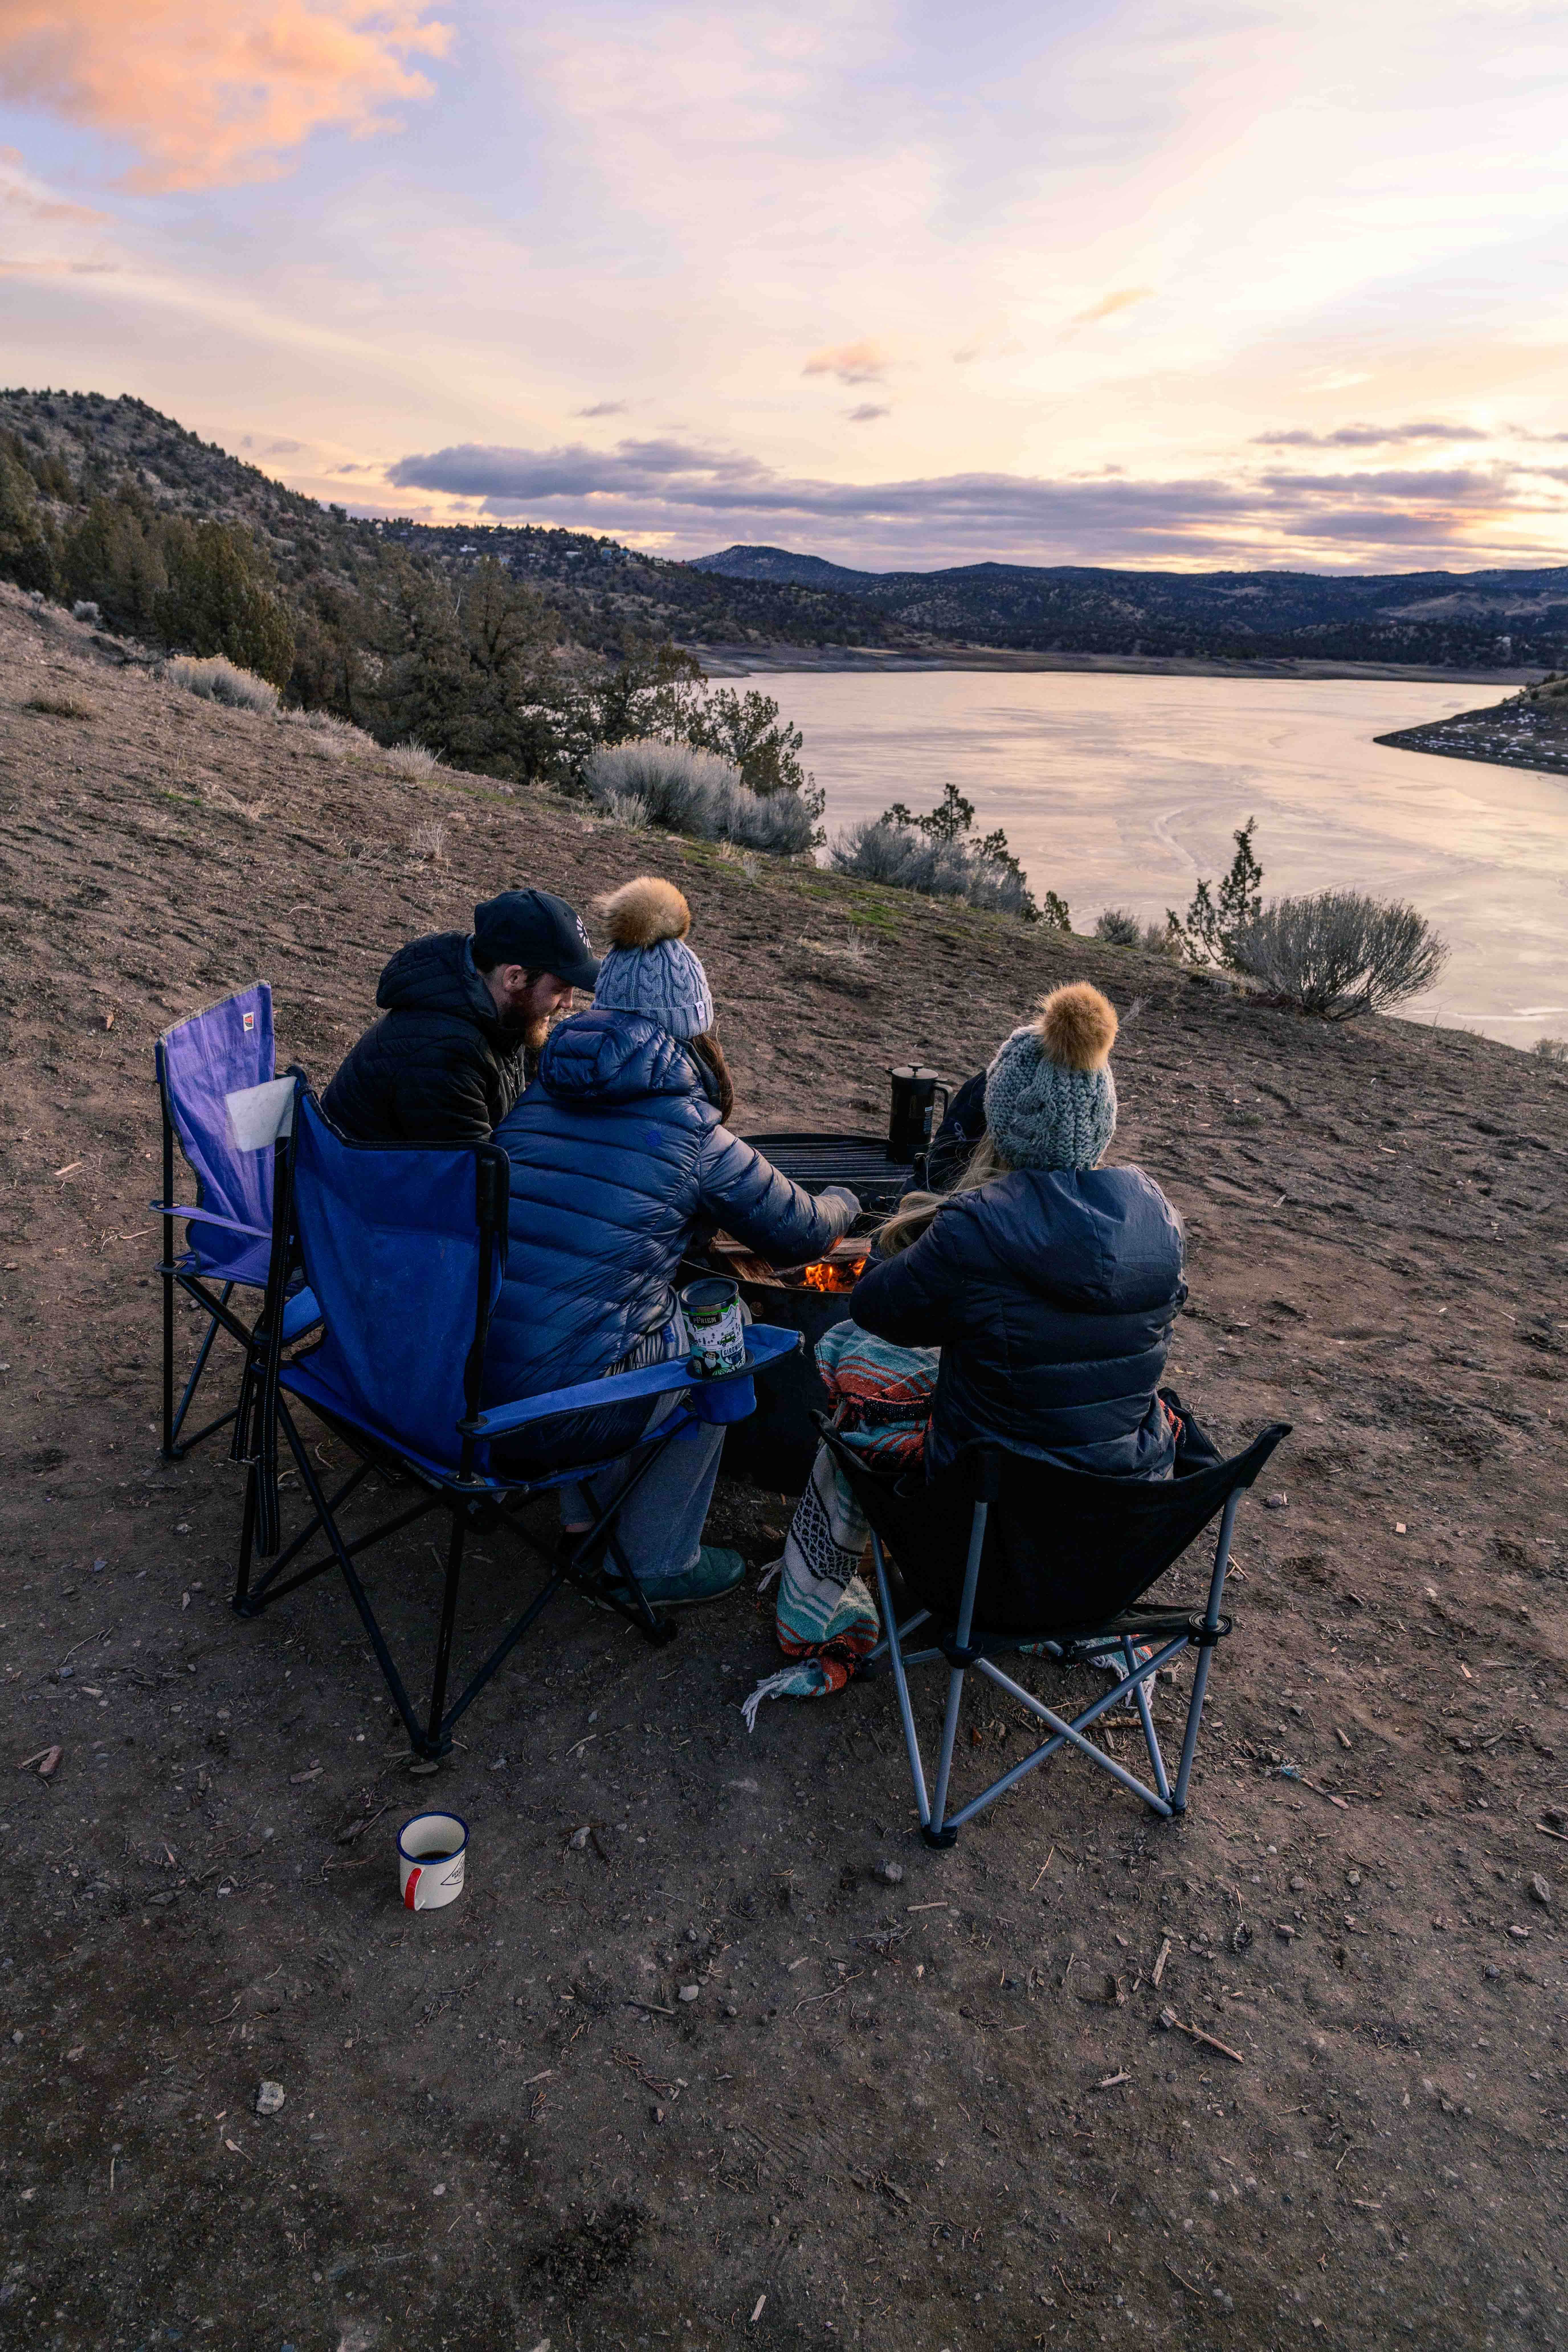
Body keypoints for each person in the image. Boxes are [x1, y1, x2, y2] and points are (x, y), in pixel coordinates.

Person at [746, 982, 1199, 1722]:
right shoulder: (1158, 1218)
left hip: (980, 1549)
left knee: (850, 1360)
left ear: (1004, 1122)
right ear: (1102, 1120)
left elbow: (872, 1307)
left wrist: (920, 1223)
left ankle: (822, 1599)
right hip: (1108, 1547)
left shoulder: (977, 1228)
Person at [483, 875, 860, 1608]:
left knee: (594, 1309)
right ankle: (656, 1560)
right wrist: (848, 1199)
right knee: (726, 1333)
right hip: (560, 1413)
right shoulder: (687, 1130)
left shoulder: (536, 1097)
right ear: (691, 1025)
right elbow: (798, 1236)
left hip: (473, 1386)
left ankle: (582, 1515)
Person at [322, 887, 599, 1143]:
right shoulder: (444, 1055)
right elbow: (479, 1180)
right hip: (364, 1193)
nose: (569, 1004)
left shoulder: (501, 1017)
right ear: (515, 978)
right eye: (560, 990)